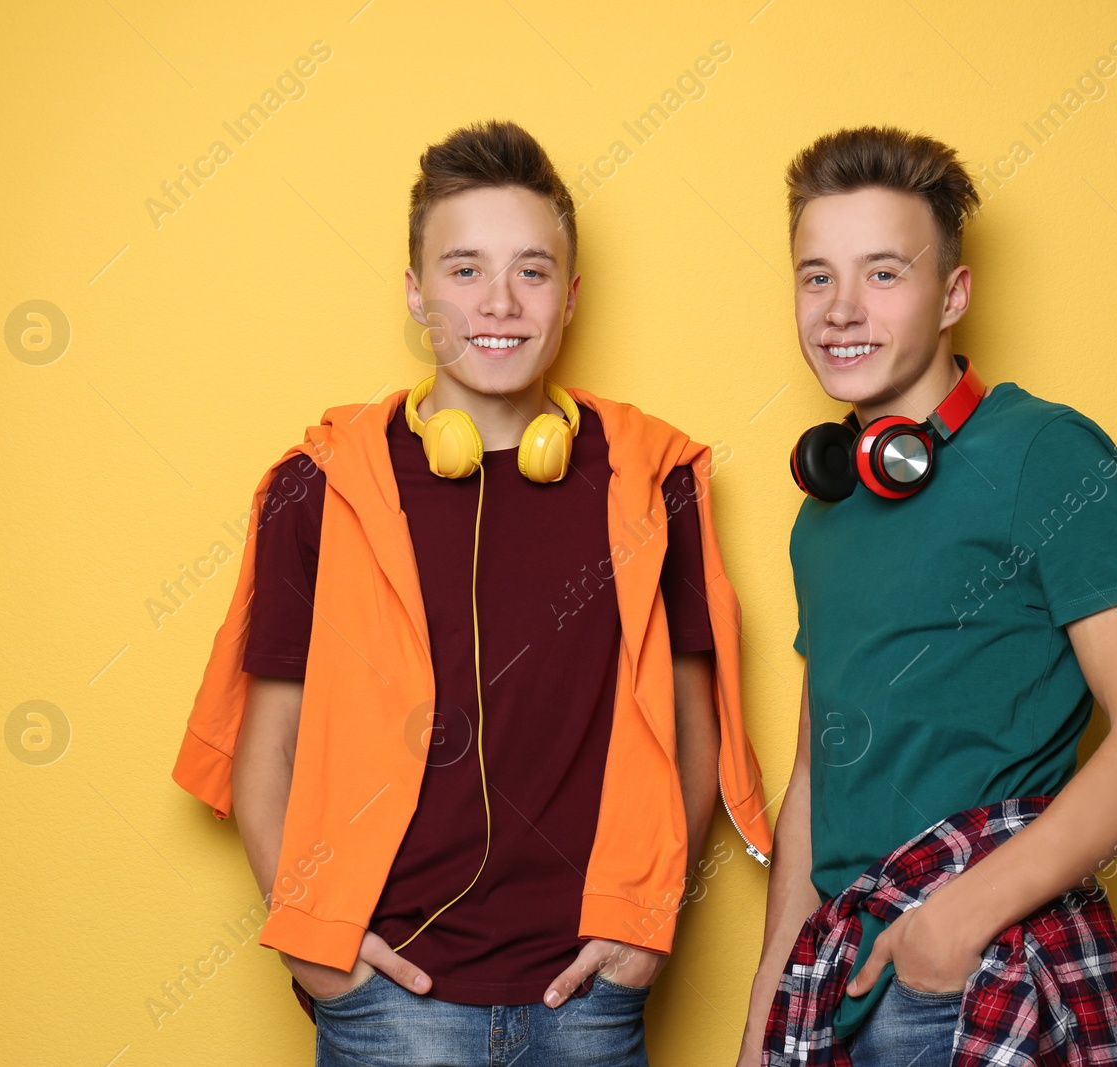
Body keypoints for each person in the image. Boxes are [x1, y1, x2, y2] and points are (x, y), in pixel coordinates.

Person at [171, 119, 772, 1067]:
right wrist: (326, 950)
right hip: (387, 1005)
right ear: (415, 291)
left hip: (589, 998)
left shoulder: (651, 481)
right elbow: (269, 743)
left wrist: (645, 929)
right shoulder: (320, 485)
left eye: (532, 271)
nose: (499, 301)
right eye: (463, 269)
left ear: (571, 298)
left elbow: (691, 725)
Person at [737, 126, 1117, 1067]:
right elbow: (811, 785)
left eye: (882, 274)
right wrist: (761, 1024)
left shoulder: (1046, 454)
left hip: (964, 971)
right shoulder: (821, 519)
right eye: (816, 276)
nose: (840, 309)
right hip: (838, 986)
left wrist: (950, 928)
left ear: (953, 295)